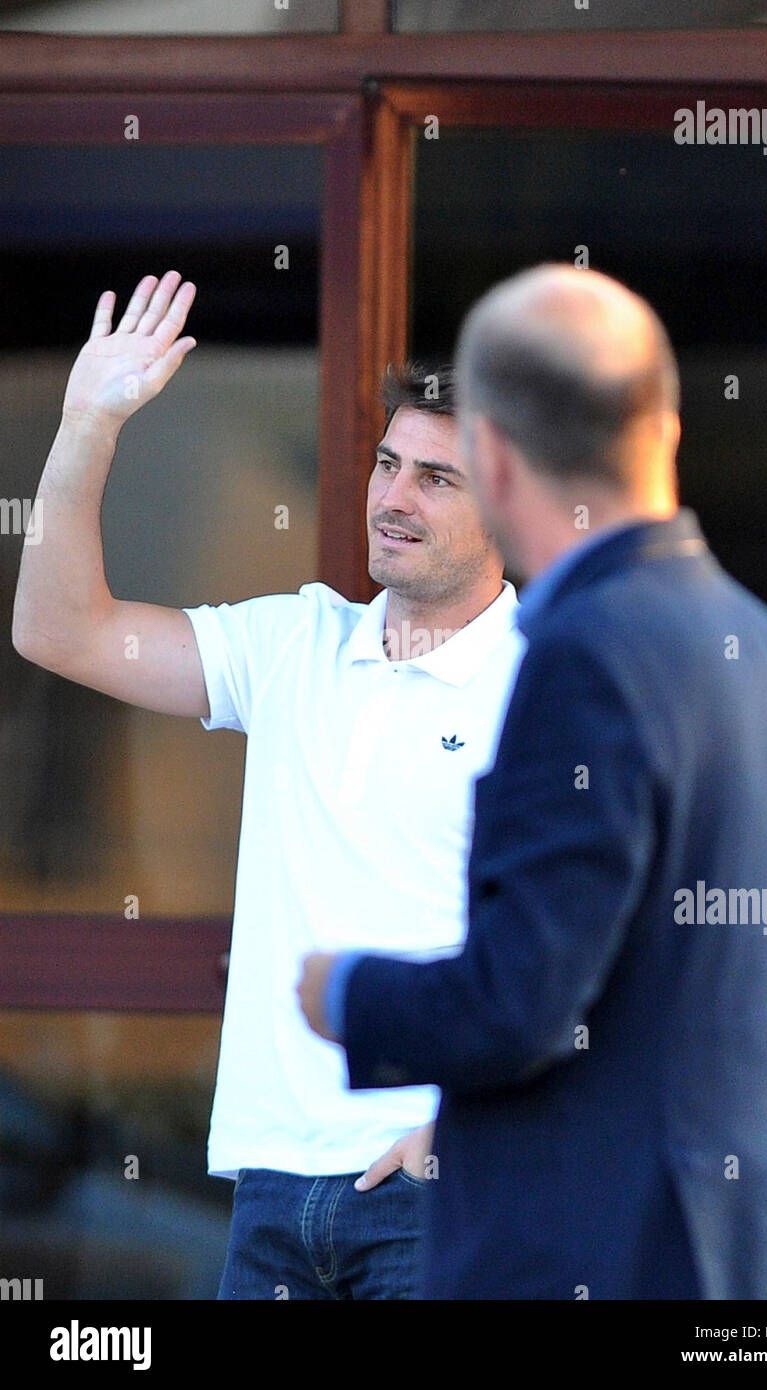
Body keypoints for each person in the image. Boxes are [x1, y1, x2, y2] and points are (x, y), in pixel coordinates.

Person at [298, 263, 767, 1300]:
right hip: (750, 1259)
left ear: (491, 456)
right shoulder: (751, 636)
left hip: (598, 1256)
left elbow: (520, 1004)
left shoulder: (582, 653)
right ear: (664, 431)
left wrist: (343, 991)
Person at [11, 271, 525, 1299]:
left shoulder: (547, 682)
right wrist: (85, 424)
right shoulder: (297, 639)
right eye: (387, 464)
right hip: (268, 1185)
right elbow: (57, 630)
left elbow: (590, 946)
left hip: (431, 1192)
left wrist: (457, 1130)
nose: (391, 496)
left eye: (435, 478)